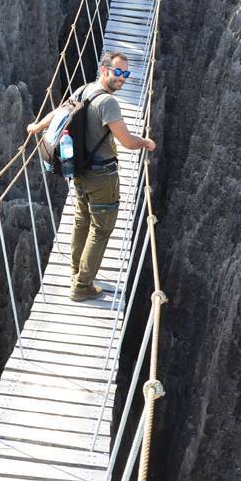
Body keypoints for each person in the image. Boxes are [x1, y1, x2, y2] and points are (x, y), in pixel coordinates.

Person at [26, 52, 156, 302]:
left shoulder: (83, 89)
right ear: (104, 69)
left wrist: (37, 126)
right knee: (101, 228)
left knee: (81, 221)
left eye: (126, 74)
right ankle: (82, 285)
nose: (122, 78)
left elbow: (59, 113)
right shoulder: (108, 103)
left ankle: (76, 272)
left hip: (80, 172)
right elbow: (127, 142)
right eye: (118, 72)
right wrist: (146, 142)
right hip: (102, 178)